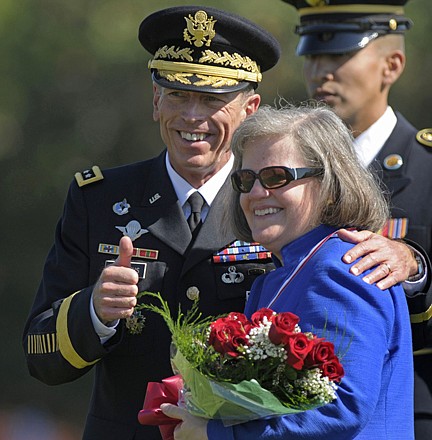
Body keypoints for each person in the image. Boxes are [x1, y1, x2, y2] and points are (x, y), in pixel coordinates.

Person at [22, 5, 419, 440]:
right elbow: (39, 355)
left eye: (213, 100)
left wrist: (411, 264)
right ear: (155, 101)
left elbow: (346, 377)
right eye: (176, 94)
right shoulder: (98, 200)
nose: (193, 116)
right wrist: (95, 312)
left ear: (249, 108)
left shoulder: (277, 209)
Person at [161, 103, 414, 439]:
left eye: (277, 177)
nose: (255, 193)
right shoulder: (296, 268)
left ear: (328, 182)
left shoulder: (339, 267)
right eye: (245, 179)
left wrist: (217, 434)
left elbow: (342, 406)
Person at [282, 0, 432, 436]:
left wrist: (416, 268)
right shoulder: (281, 176)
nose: (320, 72)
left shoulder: (427, 168)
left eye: (340, 55)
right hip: (289, 416)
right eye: (312, 55)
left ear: (392, 66)